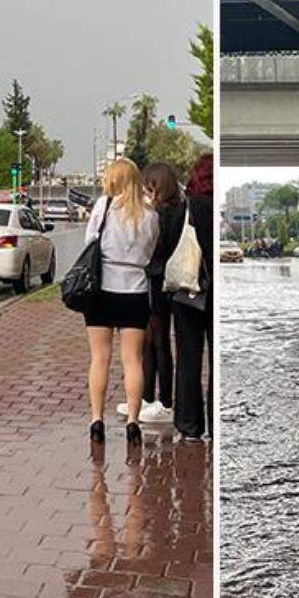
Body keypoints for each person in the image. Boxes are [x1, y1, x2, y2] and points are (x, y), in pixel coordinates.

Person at [83, 159, 159, 444]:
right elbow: (150, 251)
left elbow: (90, 241)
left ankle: (96, 420)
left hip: (101, 290)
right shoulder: (150, 214)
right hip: (135, 290)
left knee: (99, 357)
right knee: (133, 360)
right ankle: (133, 422)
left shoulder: (103, 207)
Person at [116, 162, 182, 423]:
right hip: (155, 280)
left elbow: (157, 247)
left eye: (148, 186)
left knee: (159, 341)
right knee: (150, 342)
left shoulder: (165, 213)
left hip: (160, 281)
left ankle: (164, 402)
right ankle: (146, 398)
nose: (144, 191)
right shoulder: (169, 210)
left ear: (157, 186)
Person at [161, 154, 213, 441]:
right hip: (215, 291)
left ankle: (189, 424)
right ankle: (216, 425)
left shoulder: (184, 207)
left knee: (188, 358)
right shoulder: (217, 209)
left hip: (186, 291)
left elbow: (167, 245)